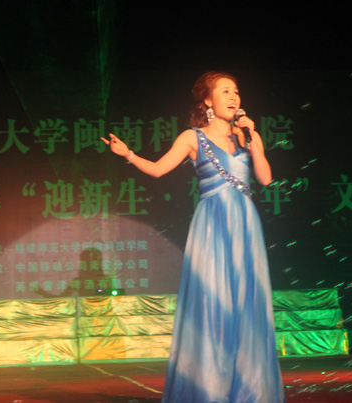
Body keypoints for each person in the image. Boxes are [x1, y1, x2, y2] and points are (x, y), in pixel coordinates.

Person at [102, 71, 286, 402]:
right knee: (213, 302)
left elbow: (266, 178)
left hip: (245, 225)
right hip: (212, 224)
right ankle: (208, 389)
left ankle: (249, 390)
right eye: (225, 91)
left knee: (247, 302)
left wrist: (253, 139)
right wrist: (128, 155)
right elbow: (159, 169)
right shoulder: (192, 137)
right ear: (207, 100)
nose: (234, 96)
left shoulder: (247, 135)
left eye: (236, 91)